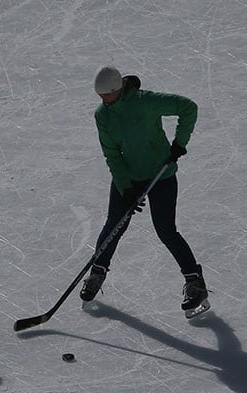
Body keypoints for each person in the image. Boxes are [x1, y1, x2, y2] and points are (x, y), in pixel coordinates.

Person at [81, 66, 209, 317]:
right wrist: (125, 188)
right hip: (127, 177)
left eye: (105, 95)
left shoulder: (146, 101)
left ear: (117, 89)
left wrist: (179, 144)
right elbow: (111, 154)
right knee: (114, 224)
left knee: (166, 230)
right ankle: (97, 271)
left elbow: (188, 108)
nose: (102, 101)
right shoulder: (102, 116)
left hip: (161, 174)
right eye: (100, 97)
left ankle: (194, 281)